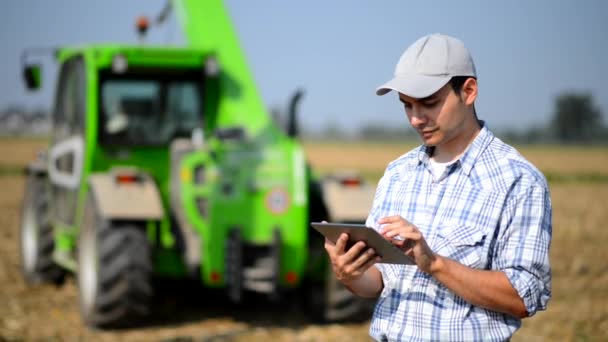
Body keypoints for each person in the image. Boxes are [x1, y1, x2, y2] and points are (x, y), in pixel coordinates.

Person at [323, 33, 552, 341]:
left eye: (429, 103)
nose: (416, 119)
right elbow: (378, 282)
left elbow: (524, 297)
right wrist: (350, 274)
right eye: (407, 105)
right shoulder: (397, 174)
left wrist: (434, 263)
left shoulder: (518, 181)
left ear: (468, 91)